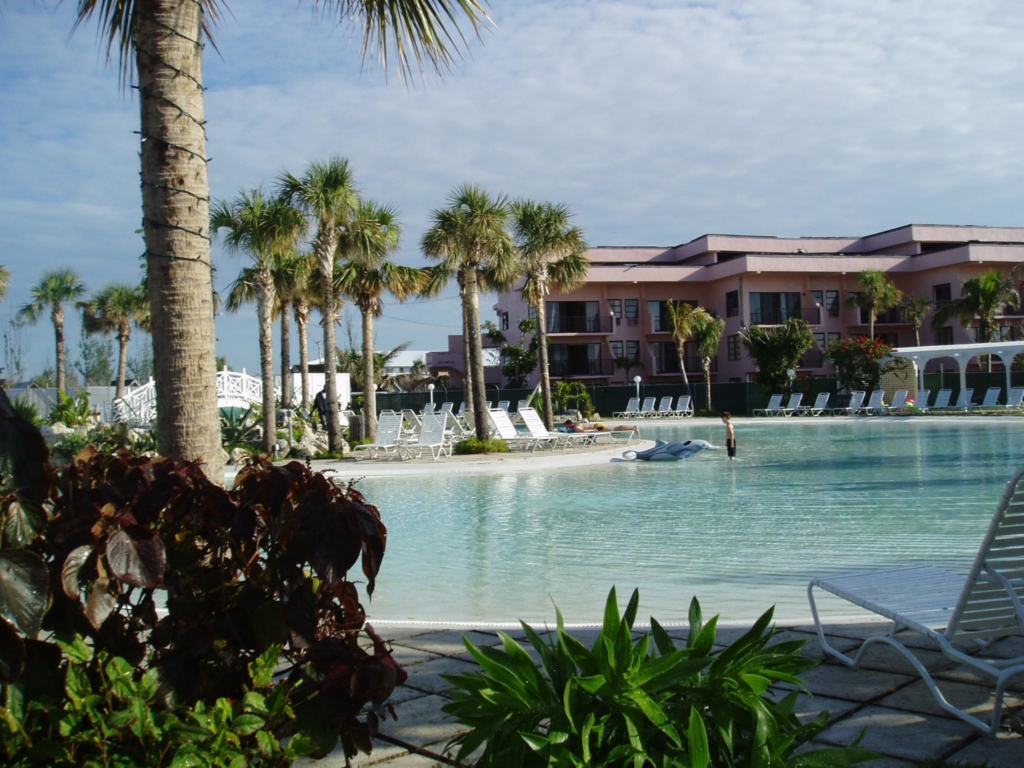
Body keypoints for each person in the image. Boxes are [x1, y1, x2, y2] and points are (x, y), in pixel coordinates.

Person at [563, 419, 640, 437]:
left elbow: (583, 431)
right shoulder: (577, 424)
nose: (566, 427)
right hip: (597, 425)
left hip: (597, 426)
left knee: (615, 428)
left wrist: (593, 431)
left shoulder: (576, 427)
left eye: (566, 425)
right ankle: (632, 427)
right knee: (615, 428)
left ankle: (633, 427)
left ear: (569, 424)